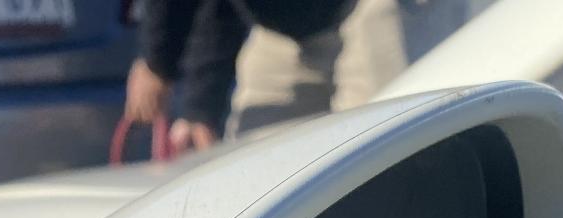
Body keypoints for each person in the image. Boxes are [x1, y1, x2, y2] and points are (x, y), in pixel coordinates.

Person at [125, 0, 465, 154]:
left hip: (376, 8)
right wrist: (200, 108)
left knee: (375, 158)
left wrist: (158, 62)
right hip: (291, 26)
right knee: (252, 170)